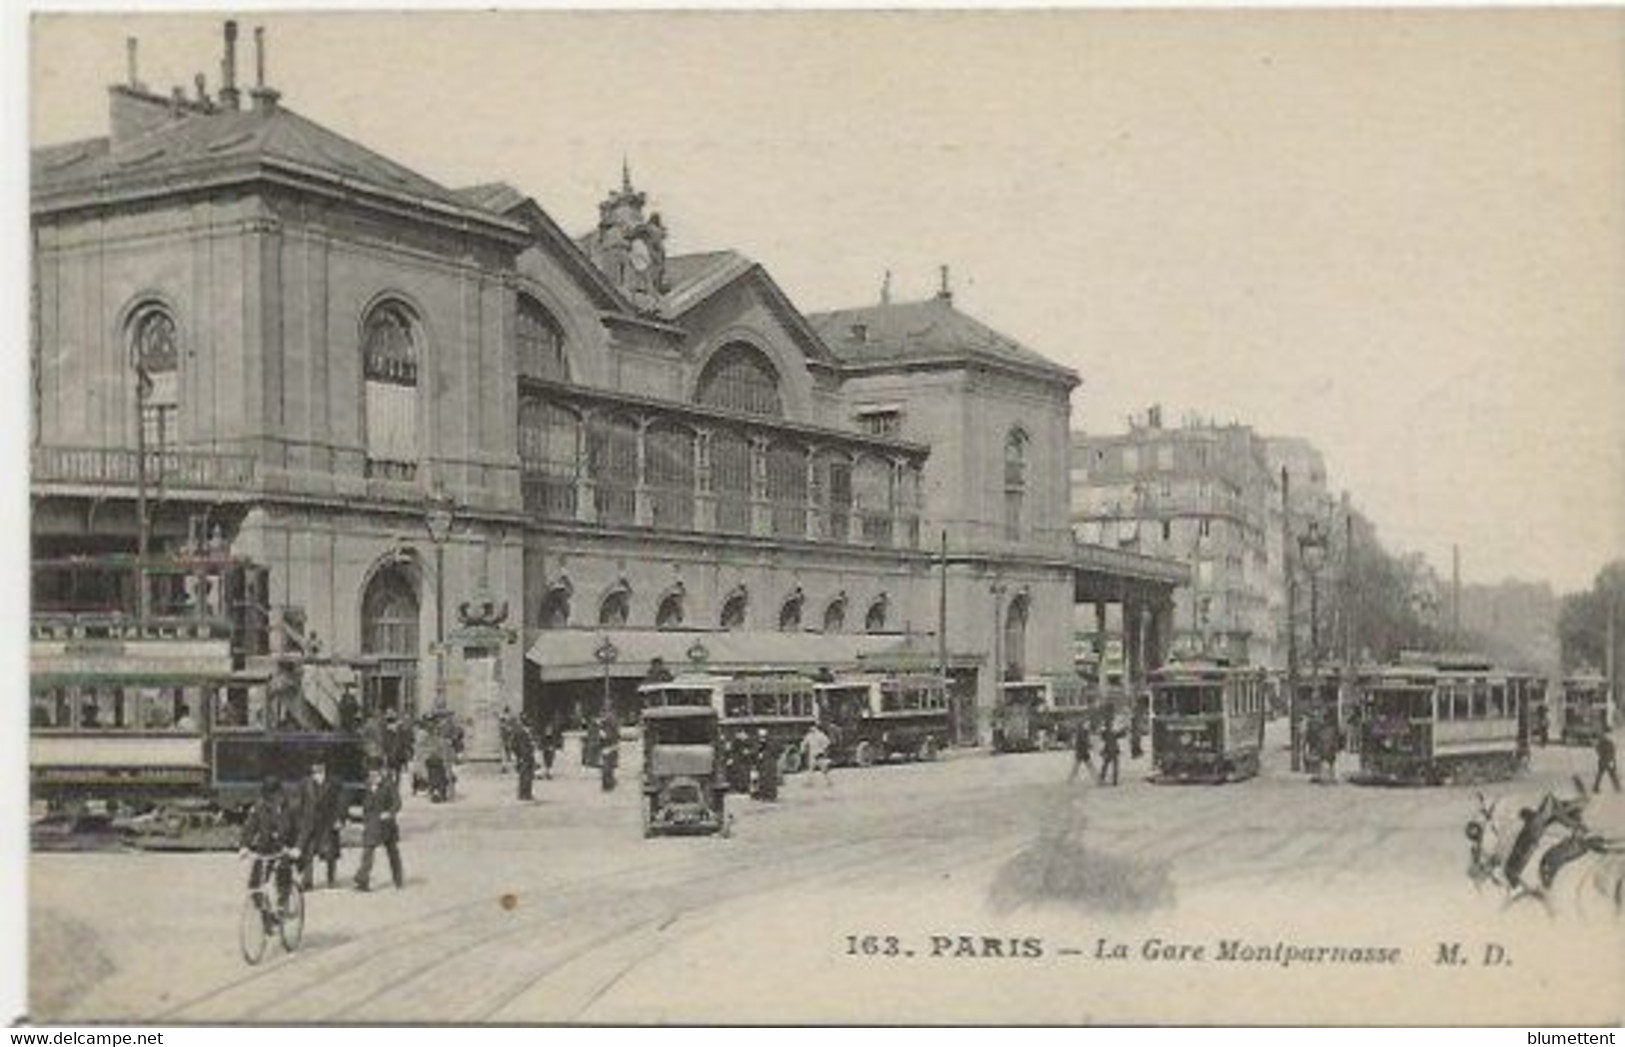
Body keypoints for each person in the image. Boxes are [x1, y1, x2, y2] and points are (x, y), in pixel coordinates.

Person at [239, 777, 296, 932]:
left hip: (285, 848)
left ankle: (282, 906)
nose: (272, 800)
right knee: (254, 886)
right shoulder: (259, 807)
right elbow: (249, 827)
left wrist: (294, 848)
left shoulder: (288, 807)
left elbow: (293, 828)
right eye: (268, 796)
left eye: (275, 796)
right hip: (265, 849)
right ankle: (267, 917)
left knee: (283, 874)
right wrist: (244, 846)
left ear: (280, 794)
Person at [294, 761, 345, 890]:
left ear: (325, 768)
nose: (317, 771)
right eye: (315, 769)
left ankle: (331, 879)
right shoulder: (304, 783)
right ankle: (307, 882)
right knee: (307, 853)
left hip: (328, 822)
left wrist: (340, 819)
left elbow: (341, 802)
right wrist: (299, 822)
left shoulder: (334, 782)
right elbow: (299, 803)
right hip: (309, 822)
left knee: (330, 853)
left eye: (320, 768)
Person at [354, 764, 403, 892]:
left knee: (392, 852)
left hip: (387, 825)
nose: (373, 778)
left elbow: (397, 803)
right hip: (372, 824)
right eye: (371, 775)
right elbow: (364, 803)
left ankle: (398, 878)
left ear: (381, 774)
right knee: (367, 852)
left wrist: (390, 813)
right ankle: (362, 880)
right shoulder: (367, 786)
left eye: (375, 775)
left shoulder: (389, 785)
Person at [800, 722, 833, 787]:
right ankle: (808, 782)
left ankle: (829, 781)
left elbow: (827, 743)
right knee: (810, 769)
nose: (811, 729)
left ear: (815, 727)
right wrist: (803, 750)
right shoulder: (809, 735)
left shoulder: (820, 735)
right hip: (812, 754)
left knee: (823, 769)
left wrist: (823, 750)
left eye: (813, 727)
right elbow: (804, 743)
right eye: (811, 728)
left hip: (819, 754)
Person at [752, 728, 780, 802]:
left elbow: (775, 752)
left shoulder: (771, 743)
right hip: (763, 764)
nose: (762, 738)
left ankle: (770, 796)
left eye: (763, 736)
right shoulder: (759, 743)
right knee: (763, 780)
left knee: (770, 780)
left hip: (769, 764)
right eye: (760, 736)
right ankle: (764, 795)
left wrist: (763, 754)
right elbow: (756, 751)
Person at [513, 719, 538, 801]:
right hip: (524, 757)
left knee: (529, 775)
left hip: (528, 756)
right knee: (524, 775)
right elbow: (515, 744)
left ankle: (527, 793)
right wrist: (519, 755)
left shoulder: (527, 733)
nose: (529, 728)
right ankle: (523, 794)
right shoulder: (520, 733)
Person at [1098, 718, 1122, 786]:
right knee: (1114, 766)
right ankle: (1114, 780)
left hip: (1108, 751)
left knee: (1105, 765)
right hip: (1113, 750)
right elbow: (1119, 735)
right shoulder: (1112, 732)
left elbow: (1102, 738)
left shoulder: (1105, 733)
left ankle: (1102, 778)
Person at [600, 713, 620, 792]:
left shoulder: (606, 730)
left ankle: (608, 784)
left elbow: (607, 737)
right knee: (608, 767)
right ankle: (608, 784)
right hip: (610, 748)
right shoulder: (610, 730)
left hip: (608, 748)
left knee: (607, 767)